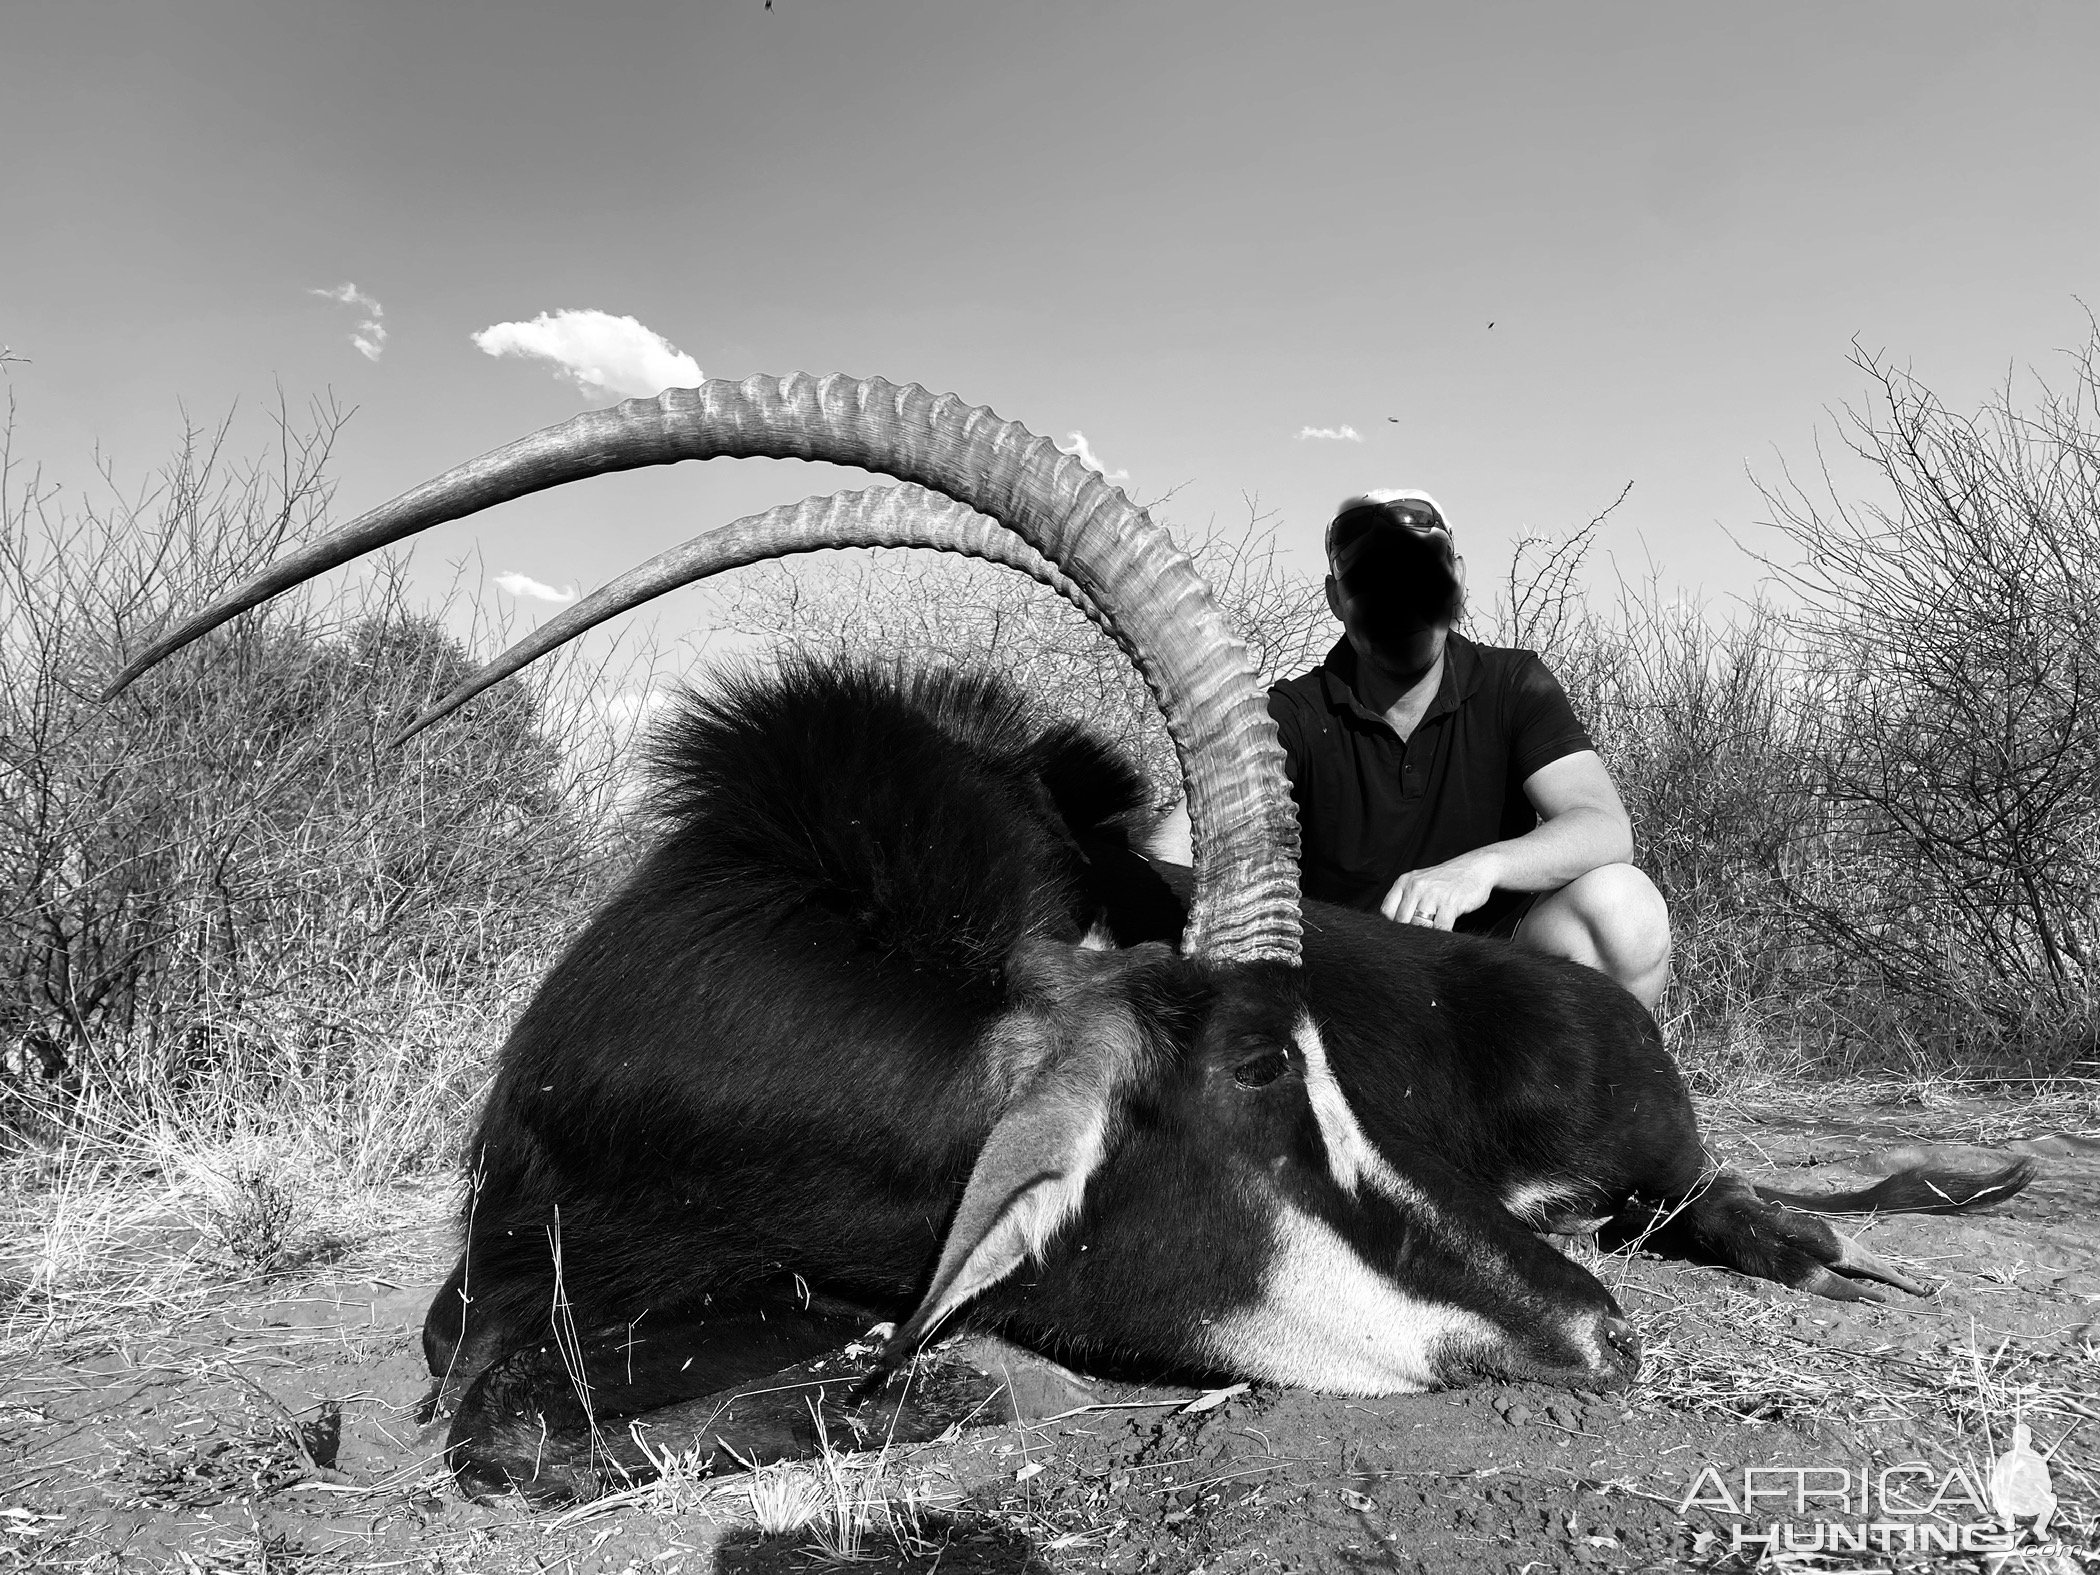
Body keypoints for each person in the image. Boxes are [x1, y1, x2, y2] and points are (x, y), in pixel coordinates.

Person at [1266, 489, 1671, 1008]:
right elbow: (1169, 849)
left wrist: (1477, 869)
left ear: (1456, 580)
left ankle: (1616, 1089)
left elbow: (1605, 827)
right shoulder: (1290, 713)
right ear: (1337, 598)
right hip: (1347, 1001)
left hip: (1491, 986)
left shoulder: (1514, 683)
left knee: (1624, 908)